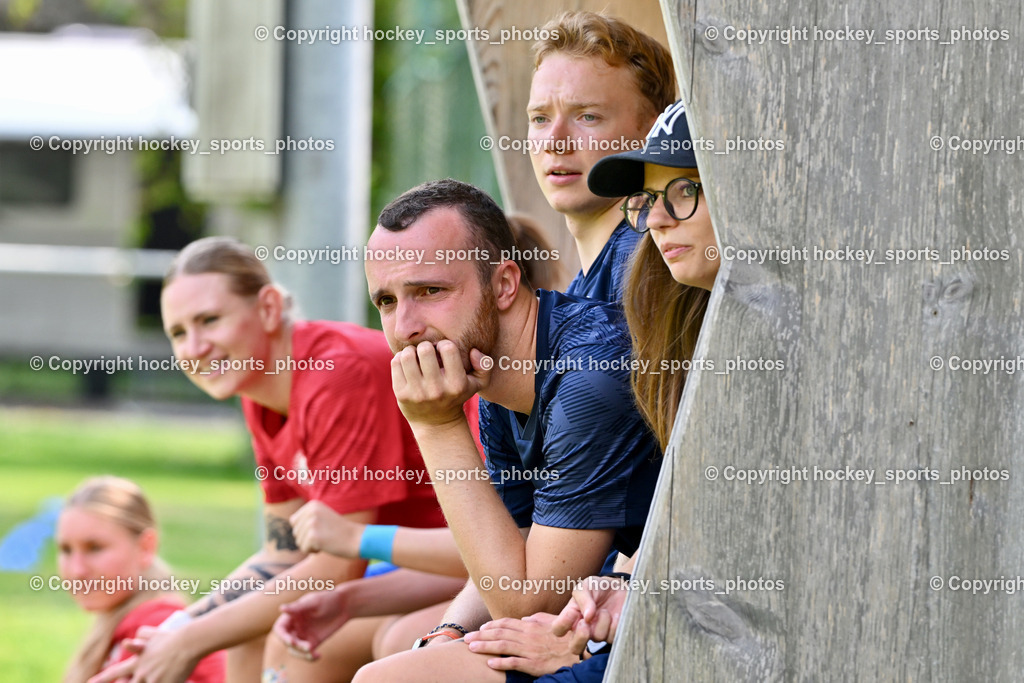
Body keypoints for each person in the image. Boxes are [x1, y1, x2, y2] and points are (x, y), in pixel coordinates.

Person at [91, 238, 464, 683]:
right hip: (410, 564)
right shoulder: (260, 389)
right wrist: (177, 628)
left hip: (470, 556)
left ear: (268, 308)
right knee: (249, 633)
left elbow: (338, 566)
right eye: (178, 333)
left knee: (296, 643)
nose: (194, 347)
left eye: (209, 320)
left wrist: (191, 641)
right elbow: (283, 552)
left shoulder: (335, 373)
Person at [350, 177, 662, 682]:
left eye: (430, 291)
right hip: (613, 613)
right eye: (386, 301)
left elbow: (528, 602)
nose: (404, 327)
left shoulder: (587, 375)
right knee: (400, 664)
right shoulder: (497, 374)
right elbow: (513, 541)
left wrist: (436, 426)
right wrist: (449, 630)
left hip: (679, 624)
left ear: (503, 285)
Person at [456, 99, 720, 682]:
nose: (657, 220)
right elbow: (679, 515)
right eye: (647, 198)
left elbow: (526, 597)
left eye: (684, 191)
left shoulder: (596, 359)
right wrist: (623, 588)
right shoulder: (669, 316)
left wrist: (434, 425)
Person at [526, 10, 675, 302]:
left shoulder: (650, 265)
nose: (555, 142)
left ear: (653, 133)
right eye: (540, 119)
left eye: (588, 117)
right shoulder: (589, 283)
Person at [58, 476, 225, 683]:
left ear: (146, 547)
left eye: (95, 548)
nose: (77, 570)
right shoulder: (122, 622)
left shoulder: (154, 628)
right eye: (66, 550)